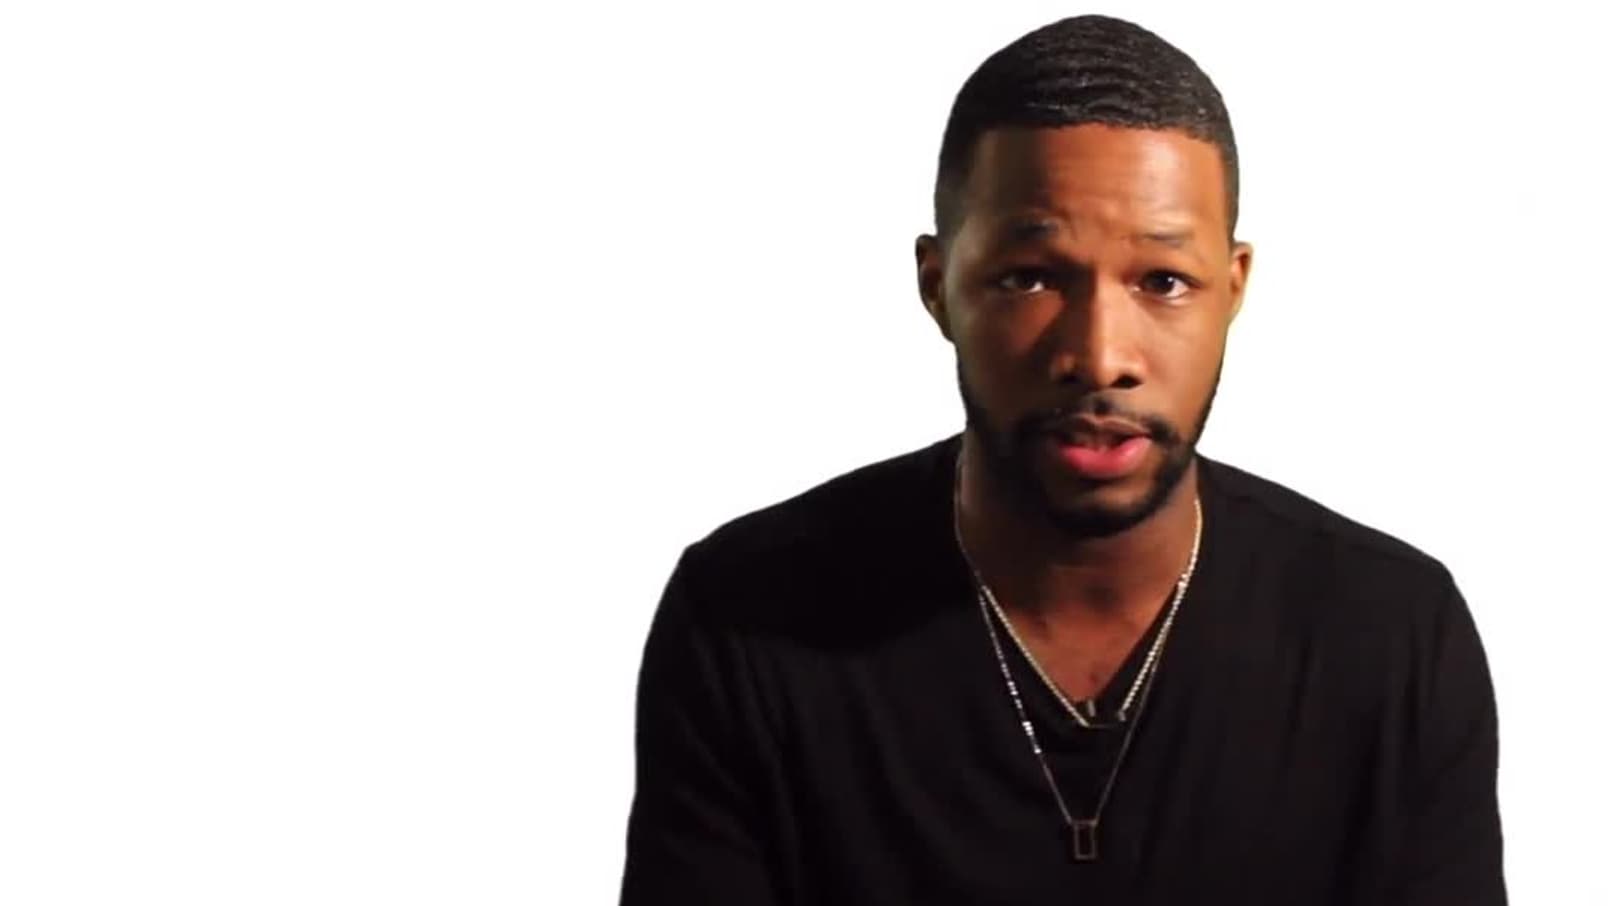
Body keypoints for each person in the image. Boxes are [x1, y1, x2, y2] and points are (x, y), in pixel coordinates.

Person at [618, 14, 1506, 905]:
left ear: (1232, 288)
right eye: (1031, 277)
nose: (1099, 355)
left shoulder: (1392, 634)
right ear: (937, 286)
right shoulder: (747, 616)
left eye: (1163, 281)